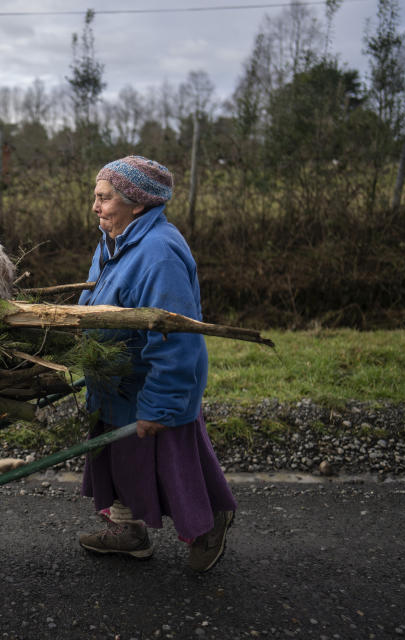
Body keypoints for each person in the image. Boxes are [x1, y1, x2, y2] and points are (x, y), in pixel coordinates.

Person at [76, 155, 237, 573]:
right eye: (96, 197)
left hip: (151, 387)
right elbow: (94, 301)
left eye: (104, 198)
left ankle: (208, 524)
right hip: (117, 382)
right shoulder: (114, 241)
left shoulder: (159, 254)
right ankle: (128, 534)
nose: (95, 206)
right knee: (121, 461)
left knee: (175, 470)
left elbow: (177, 341)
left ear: (138, 204)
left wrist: (159, 408)